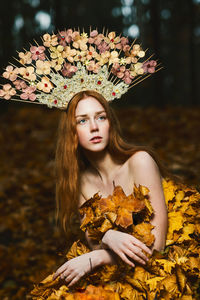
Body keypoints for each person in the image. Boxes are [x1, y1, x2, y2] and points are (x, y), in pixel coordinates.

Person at [0, 28, 199, 299]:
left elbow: (158, 248)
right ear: (72, 131)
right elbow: (94, 242)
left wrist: (97, 257)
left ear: (110, 123)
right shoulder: (81, 181)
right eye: (82, 120)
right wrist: (106, 239)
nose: (93, 127)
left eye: (100, 117)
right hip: (118, 272)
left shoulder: (140, 162)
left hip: (161, 272)